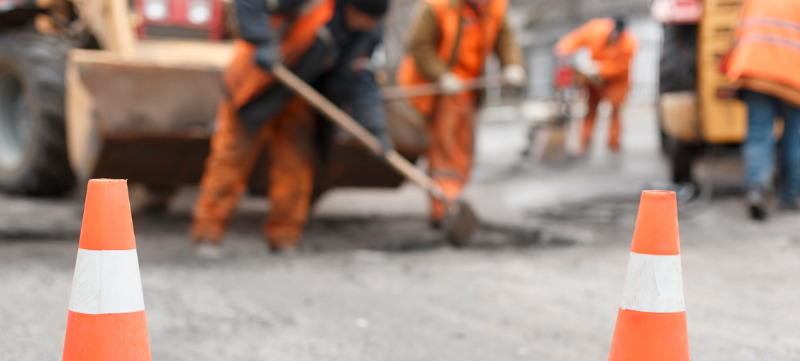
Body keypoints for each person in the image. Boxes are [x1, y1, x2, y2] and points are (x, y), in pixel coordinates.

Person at [191, 0, 390, 251]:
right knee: (232, 160)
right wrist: (261, 41)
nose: (372, 26)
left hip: (298, 94)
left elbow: (363, 83)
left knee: (295, 167)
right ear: (352, 9)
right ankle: (208, 233)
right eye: (369, 19)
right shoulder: (313, 4)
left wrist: (375, 131)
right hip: (256, 84)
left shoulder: (367, 34)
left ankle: (284, 236)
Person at [397, 0, 526, 226]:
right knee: (444, 152)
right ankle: (443, 209)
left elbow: (505, 39)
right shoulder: (436, 6)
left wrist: (512, 65)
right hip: (438, 90)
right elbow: (419, 46)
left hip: (469, 90)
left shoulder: (495, 7)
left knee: (464, 153)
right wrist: (442, 75)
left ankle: (454, 202)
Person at [724, 0, 800, 220]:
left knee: (758, 134)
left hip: (755, 71)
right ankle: (789, 195)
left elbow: (738, 36)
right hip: (792, 78)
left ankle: (756, 188)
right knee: (793, 138)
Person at [554, 15, 637, 155]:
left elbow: (621, 66)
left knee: (615, 113)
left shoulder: (629, 43)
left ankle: (614, 146)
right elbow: (576, 38)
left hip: (616, 83)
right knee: (590, 111)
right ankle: (584, 145)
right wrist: (564, 49)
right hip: (593, 81)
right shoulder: (596, 30)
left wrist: (600, 69)